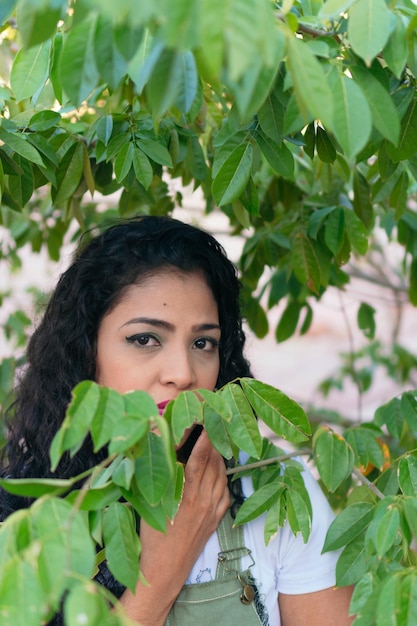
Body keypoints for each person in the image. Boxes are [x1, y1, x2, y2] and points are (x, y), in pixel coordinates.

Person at [0, 215, 353, 625]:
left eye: (203, 342)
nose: (184, 373)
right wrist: (160, 572)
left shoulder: (276, 492)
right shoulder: (21, 522)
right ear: (85, 352)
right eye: (145, 339)